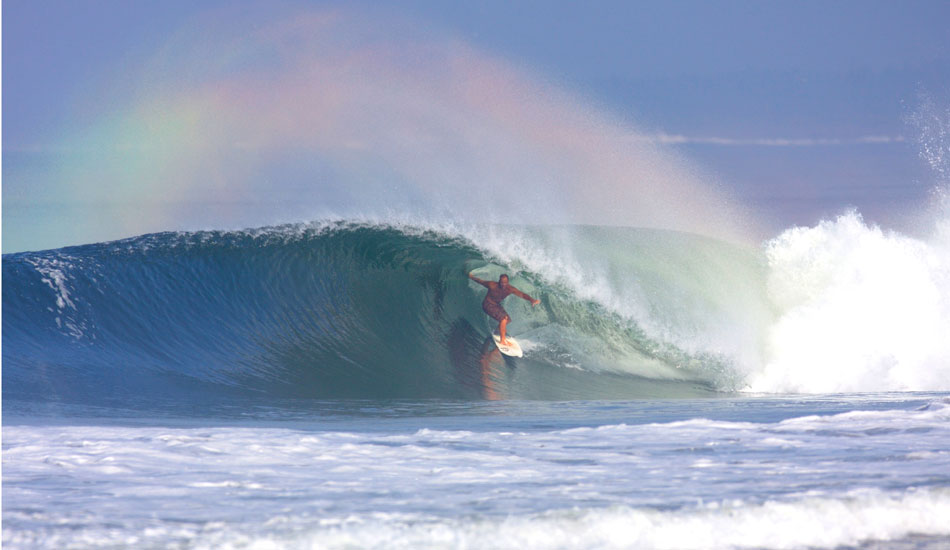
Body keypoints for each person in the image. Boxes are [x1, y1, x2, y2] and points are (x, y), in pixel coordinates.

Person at [468, 272, 540, 346]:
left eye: (505, 282)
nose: (503, 284)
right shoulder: (492, 285)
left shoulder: (510, 289)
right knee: (503, 319)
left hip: (496, 305)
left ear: (508, 282)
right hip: (487, 304)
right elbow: (481, 282)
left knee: (507, 320)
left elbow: (522, 294)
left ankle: (496, 332)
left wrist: (532, 300)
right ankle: (502, 340)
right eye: (502, 282)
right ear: (499, 281)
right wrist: (472, 277)